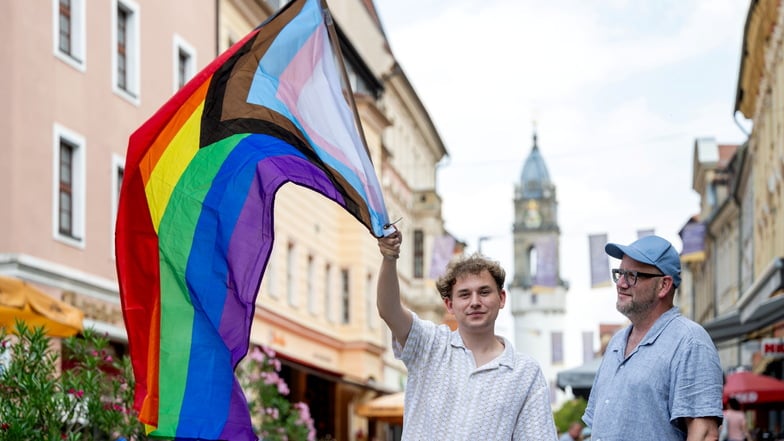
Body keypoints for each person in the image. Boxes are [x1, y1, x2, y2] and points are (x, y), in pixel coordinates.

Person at [377, 229, 558, 440]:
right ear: (449, 305)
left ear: (501, 298)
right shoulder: (430, 345)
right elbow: (389, 310)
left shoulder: (525, 372)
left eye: (484, 292)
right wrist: (389, 258)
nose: (475, 302)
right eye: (464, 294)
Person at [582, 235, 723, 440]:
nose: (621, 283)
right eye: (620, 273)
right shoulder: (616, 342)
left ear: (664, 286)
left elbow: (704, 433)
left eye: (631, 275)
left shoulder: (690, 342)